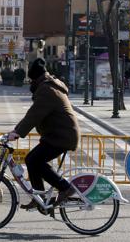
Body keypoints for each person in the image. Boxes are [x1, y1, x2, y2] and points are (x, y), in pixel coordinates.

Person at [7, 57, 80, 209]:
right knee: (32, 160)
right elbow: (34, 114)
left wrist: (17, 132)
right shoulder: (48, 86)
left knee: (34, 160)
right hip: (57, 134)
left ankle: (65, 187)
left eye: (31, 80)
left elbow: (34, 115)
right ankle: (38, 197)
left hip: (62, 136)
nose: (30, 84)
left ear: (35, 78)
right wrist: (16, 131)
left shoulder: (47, 90)